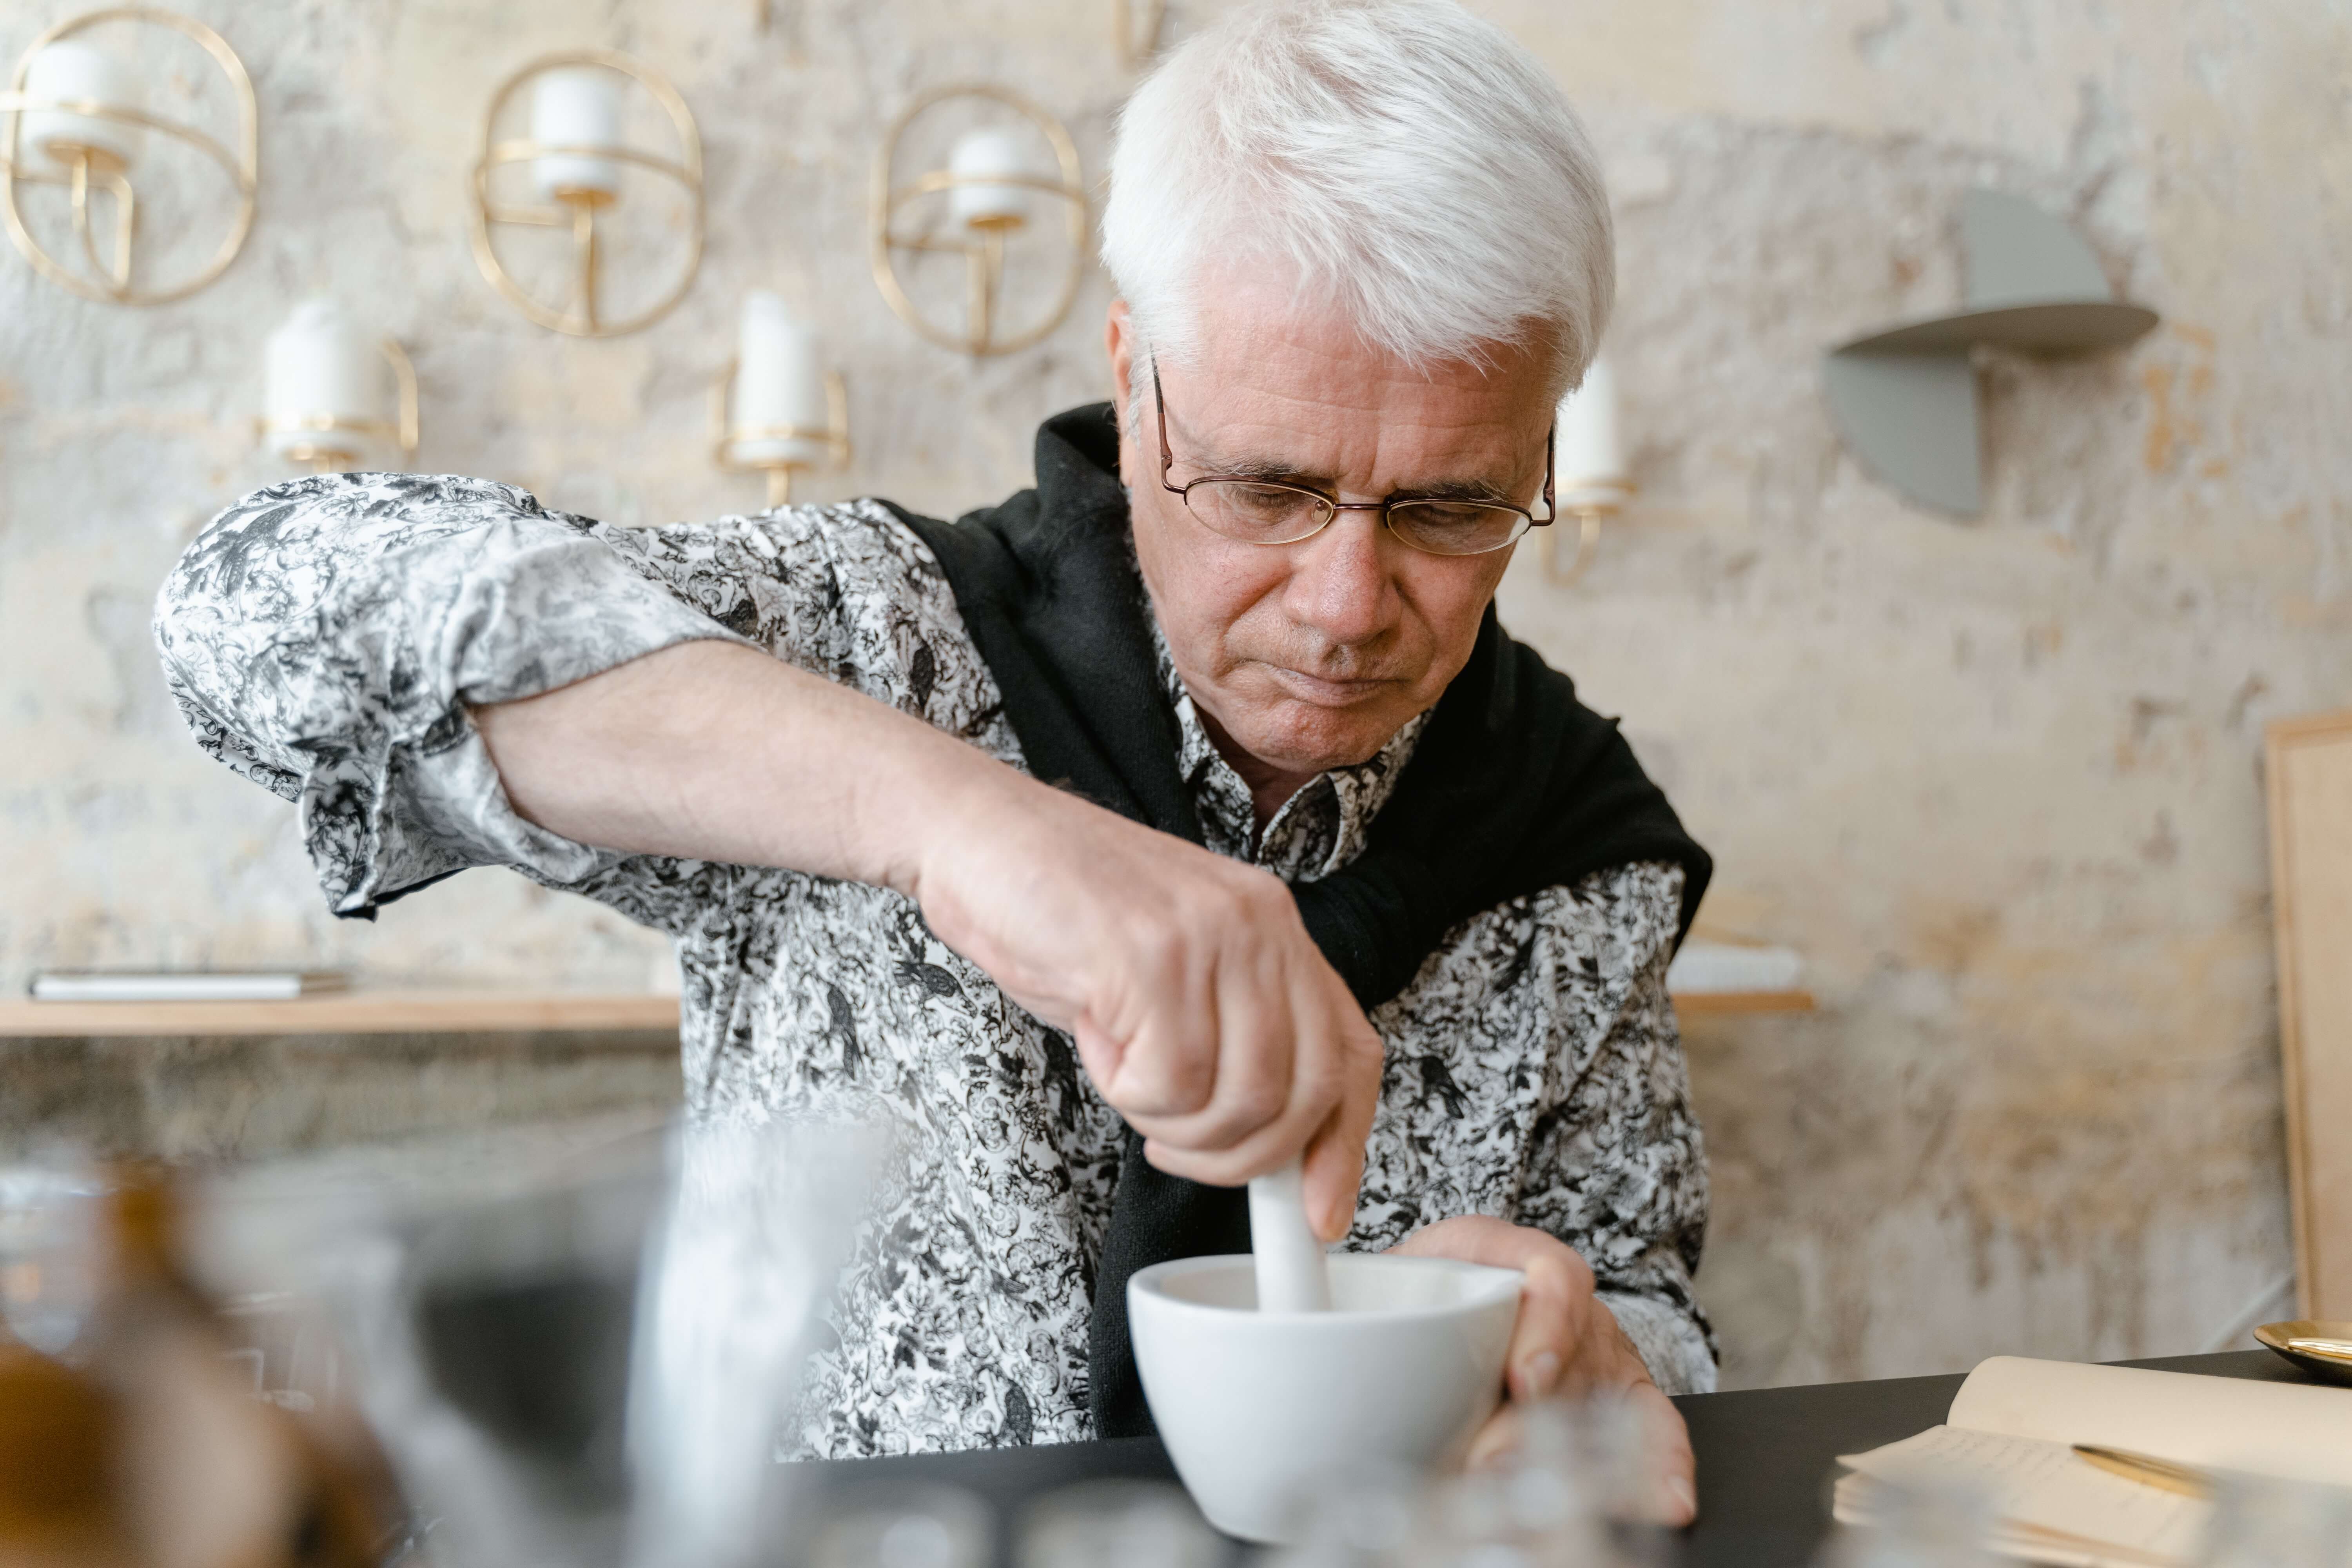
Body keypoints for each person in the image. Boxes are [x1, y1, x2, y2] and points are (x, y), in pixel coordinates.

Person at [154, 0, 1713, 1521]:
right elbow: (249, 611)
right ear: (1136, 371)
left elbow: (1650, 1302)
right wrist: (950, 819)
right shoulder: (861, 638)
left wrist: (1592, 1360)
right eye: (1264, 488)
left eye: (1451, 508)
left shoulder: (1575, 829)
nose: (1349, 606)